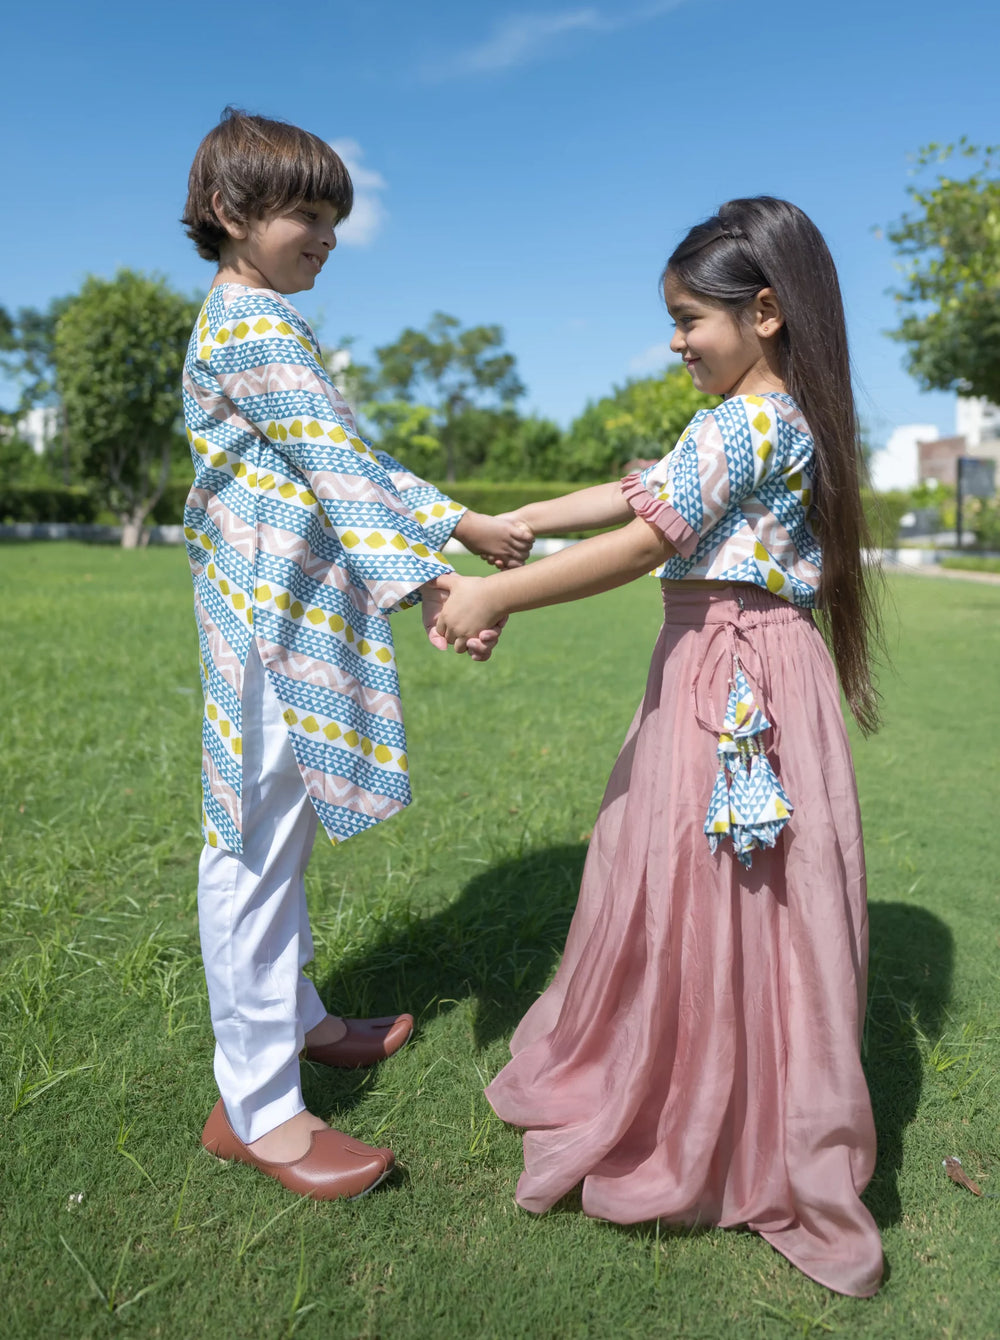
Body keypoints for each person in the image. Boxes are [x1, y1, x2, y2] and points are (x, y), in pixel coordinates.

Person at [434, 197, 884, 1297]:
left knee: (703, 881)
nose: (676, 338)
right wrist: (531, 512)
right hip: (738, 666)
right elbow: (644, 493)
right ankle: (721, 1083)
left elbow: (644, 540)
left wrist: (497, 589)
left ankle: (709, 1115)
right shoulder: (757, 418)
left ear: (766, 312)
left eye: (690, 318)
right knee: (727, 889)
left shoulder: (749, 423)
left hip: (732, 684)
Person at [181, 108, 531, 1201]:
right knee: (247, 849)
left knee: (278, 838)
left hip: (293, 615)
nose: (327, 235)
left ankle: (299, 1017)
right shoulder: (251, 327)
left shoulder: (263, 321)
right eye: (306, 214)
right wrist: (442, 580)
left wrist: (462, 523)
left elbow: (346, 454)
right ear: (234, 214)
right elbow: (336, 466)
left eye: (335, 216)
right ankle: (259, 1112)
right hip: (263, 628)